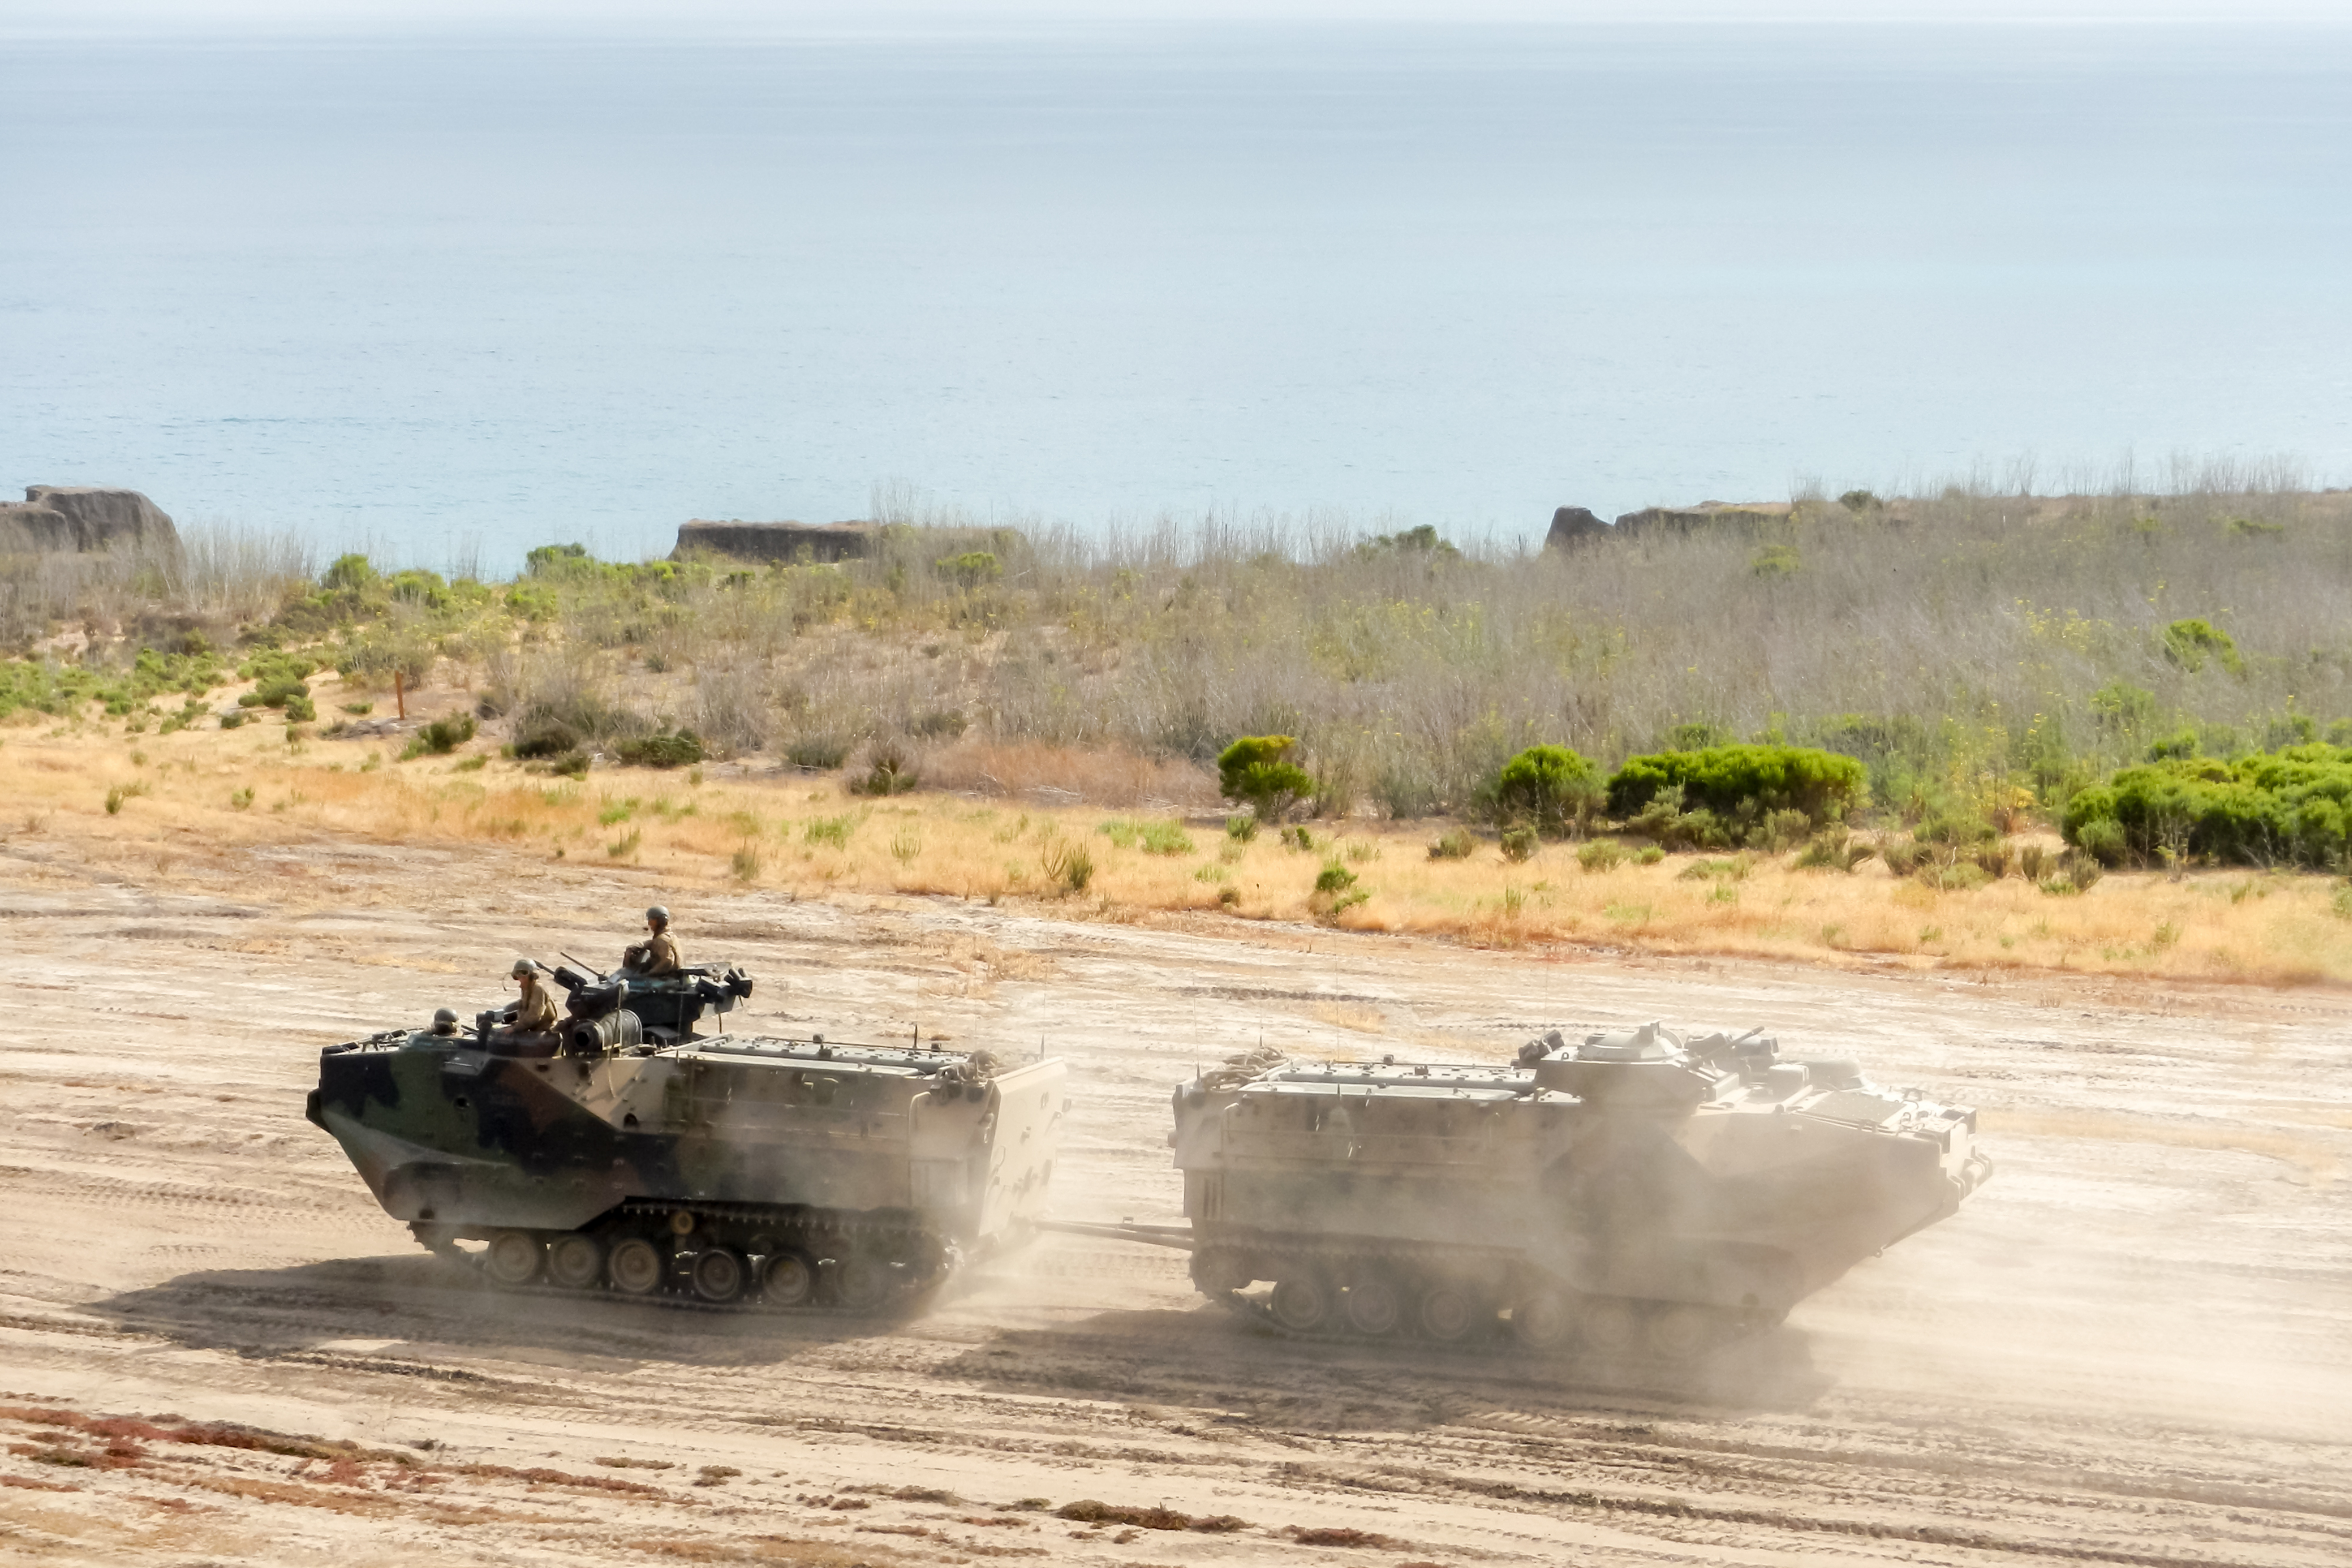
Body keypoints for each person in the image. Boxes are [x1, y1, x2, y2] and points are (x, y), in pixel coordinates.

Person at [621, 905, 682, 976]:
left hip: (666, 977)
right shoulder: (669, 936)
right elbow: (652, 943)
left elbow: (667, 962)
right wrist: (634, 947)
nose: (649, 924)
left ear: (659, 921)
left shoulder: (662, 940)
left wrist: (648, 974)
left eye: (651, 921)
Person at [508, 958, 560, 1033]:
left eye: (523, 974)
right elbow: (524, 1009)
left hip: (546, 1030)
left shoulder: (538, 989)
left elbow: (534, 1015)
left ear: (532, 975)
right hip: (535, 1028)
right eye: (518, 974)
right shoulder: (526, 988)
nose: (520, 977)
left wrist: (516, 1028)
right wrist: (518, 1023)